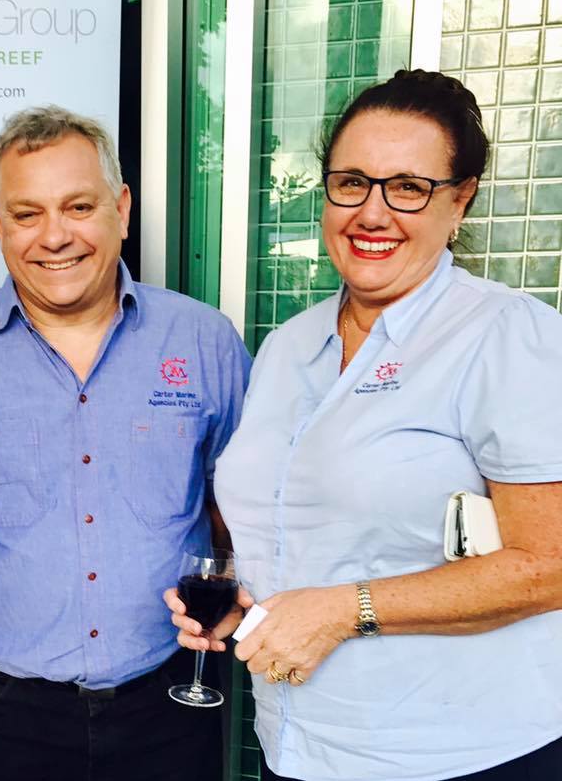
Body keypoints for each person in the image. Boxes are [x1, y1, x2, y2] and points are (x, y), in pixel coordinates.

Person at [166, 69, 562, 781]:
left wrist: (346, 610)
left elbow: (550, 564)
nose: (372, 213)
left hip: (459, 755)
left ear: (461, 198)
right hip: (300, 745)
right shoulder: (290, 344)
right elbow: (300, 528)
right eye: (351, 182)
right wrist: (244, 603)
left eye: (408, 187)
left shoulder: (506, 336)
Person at [0, 105, 250, 781]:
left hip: (172, 699)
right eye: (27, 214)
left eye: (78, 206)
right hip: (5, 711)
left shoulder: (205, 343)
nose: (54, 236)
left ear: (121, 207)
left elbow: (234, 506)